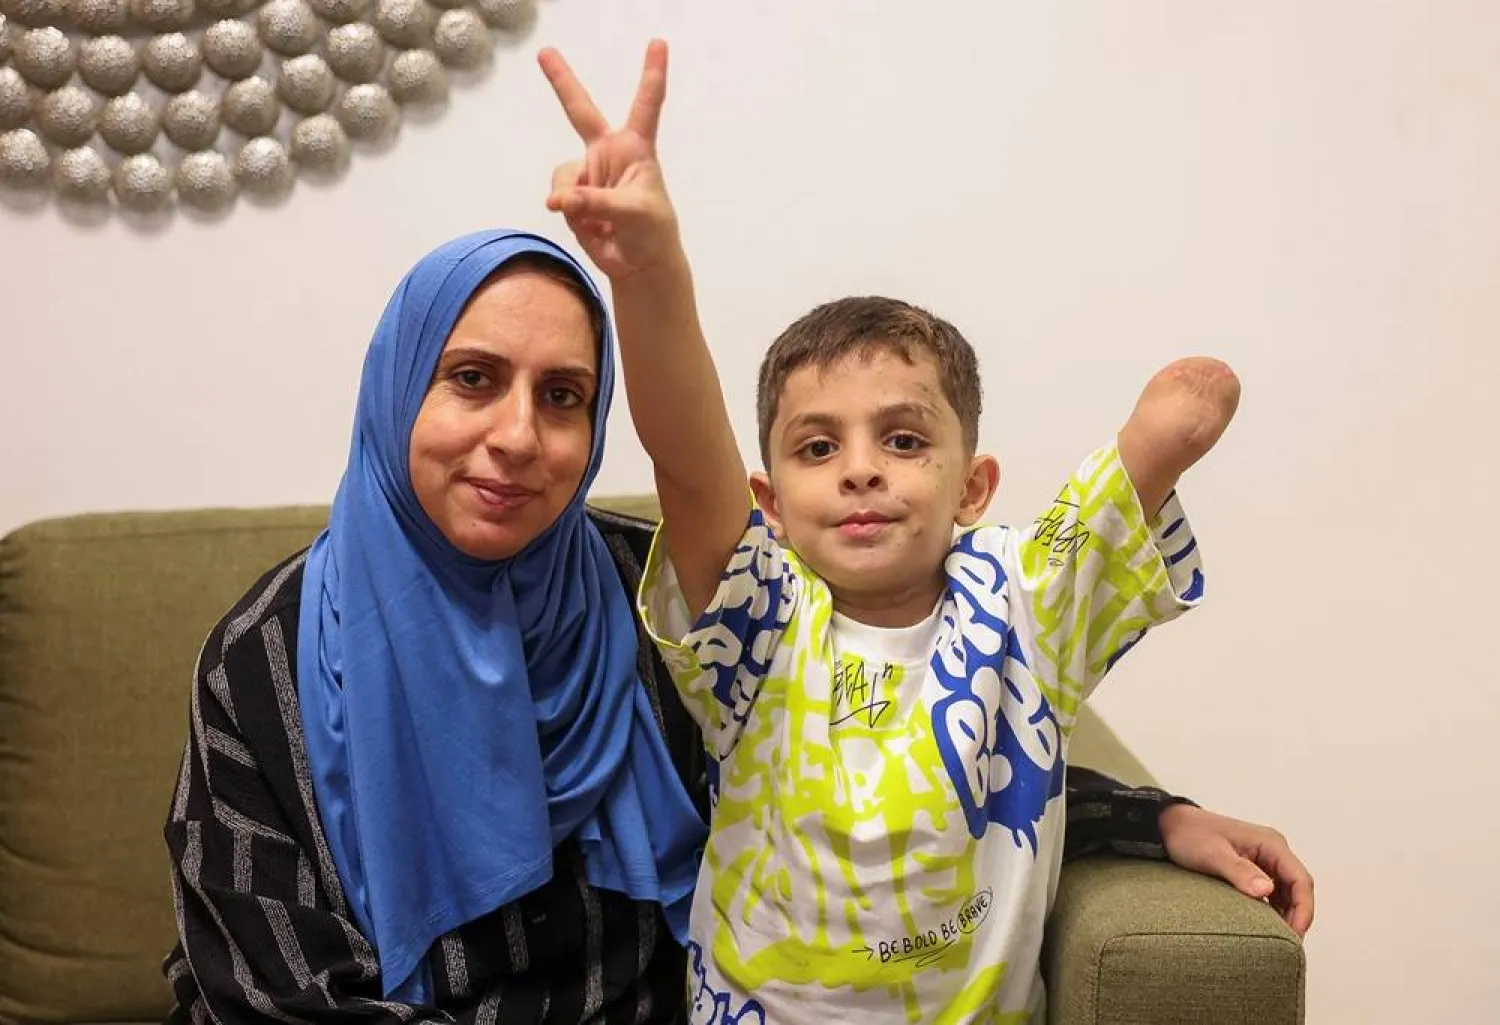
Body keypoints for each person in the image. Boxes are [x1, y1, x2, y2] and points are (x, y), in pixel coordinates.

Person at [160, 76, 1311, 1025]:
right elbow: (263, 987)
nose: (517, 434)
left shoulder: (633, 594)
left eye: (564, 395)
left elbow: (877, 760)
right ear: (394, 388)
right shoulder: (267, 655)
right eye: (471, 379)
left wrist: (1153, 817)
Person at [540, 40, 1270, 1025]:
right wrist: (651, 272)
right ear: (769, 503)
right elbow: (685, 452)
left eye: (902, 437)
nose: (860, 467)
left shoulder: (1020, 600)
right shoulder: (757, 623)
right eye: (816, 446)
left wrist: (1158, 444)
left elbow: (1130, 481)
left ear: (972, 487)